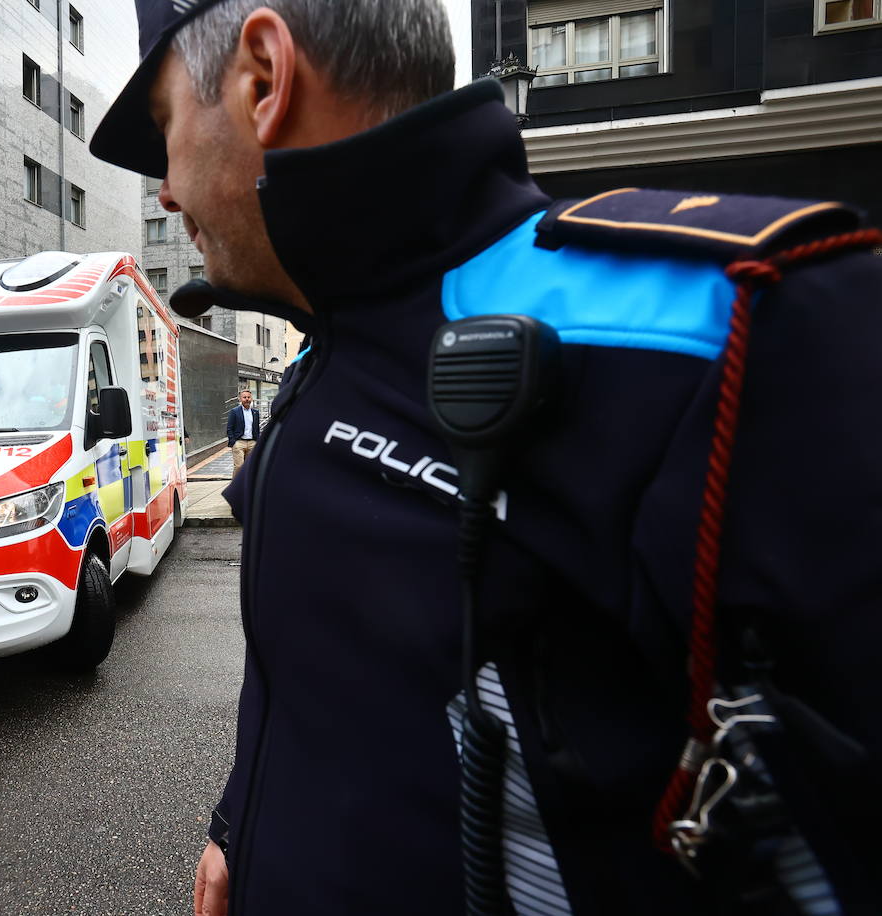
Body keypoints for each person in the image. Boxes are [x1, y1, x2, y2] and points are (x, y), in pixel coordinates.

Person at [89, 1, 882, 914]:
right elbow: (314, 673)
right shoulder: (325, 346)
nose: (164, 191)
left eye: (164, 127)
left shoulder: (734, 326)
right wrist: (241, 822)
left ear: (263, 78)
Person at [224, 389, 258, 472]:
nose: (247, 399)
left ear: (251, 399)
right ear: (240, 399)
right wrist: (233, 442)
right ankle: (236, 485)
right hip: (239, 442)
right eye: (244, 397)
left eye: (248, 397)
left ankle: (248, 484)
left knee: (250, 467)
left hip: (252, 443)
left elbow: (257, 428)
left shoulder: (255, 412)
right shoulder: (234, 411)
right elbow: (229, 428)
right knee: (239, 467)